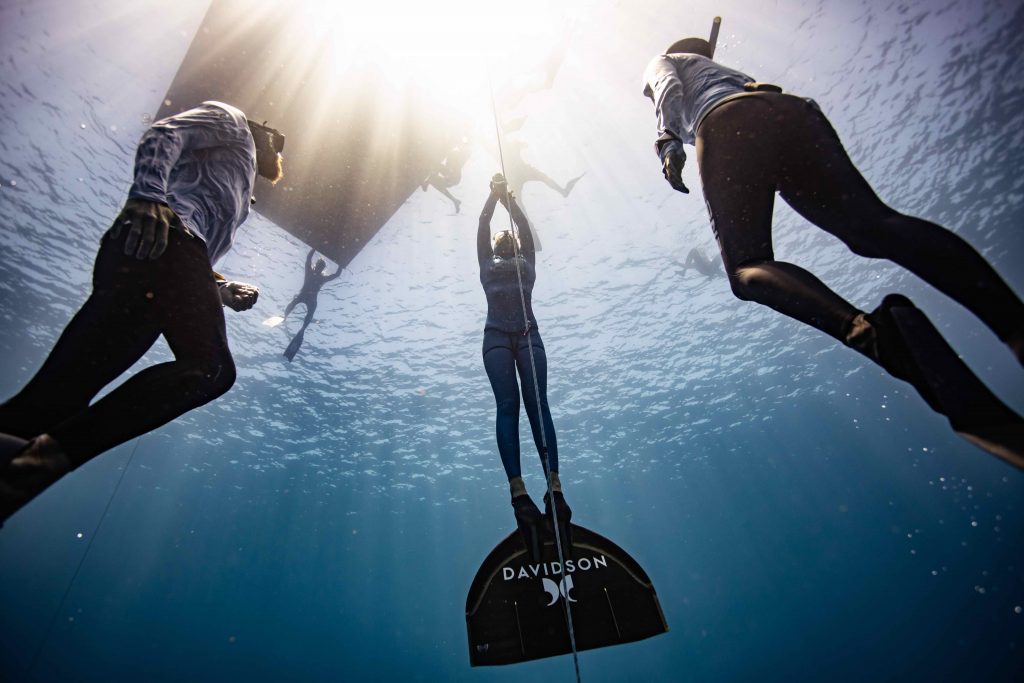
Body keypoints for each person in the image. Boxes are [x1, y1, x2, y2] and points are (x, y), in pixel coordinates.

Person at [642, 37, 1024, 463]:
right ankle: (1013, 322)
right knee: (873, 227)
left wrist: (668, 143)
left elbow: (667, 90)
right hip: (790, 111)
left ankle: (874, 336)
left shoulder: (664, 60)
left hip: (727, 121)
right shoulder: (721, 69)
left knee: (748, 269)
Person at [0, 101, 285, 521]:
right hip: (164, 239)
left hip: (160, 258)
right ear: (264, 132)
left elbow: (196, 243)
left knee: (51, 402)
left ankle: (14, 451)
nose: (280, 152)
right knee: (209, 369)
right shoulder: (234, 121)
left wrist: (220, 288)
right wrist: (145, 195)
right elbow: (166, 133)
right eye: (278, 141)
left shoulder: (242, 189)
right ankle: (42, 464)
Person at [477, 173, 570, 558]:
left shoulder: (527, 258)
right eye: (504, 239)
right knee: (508, 408)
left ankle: (554, 489)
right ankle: (519, 494)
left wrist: (508, 200)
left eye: (510, 237)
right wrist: (493, 197)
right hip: (497, 336)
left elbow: (524, 227)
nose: (506, 238)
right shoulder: (486, 260)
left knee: (537, 406)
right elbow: (483, 226)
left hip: (527, 334)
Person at [282, 249, 341, 361]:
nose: (319, 268)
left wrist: (315, 248)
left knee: (304, 310)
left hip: (308, 298)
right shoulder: (314, 273)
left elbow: (336, 274)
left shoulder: (317, 275)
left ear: (321, 268)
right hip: (307, 298)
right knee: (295, 304)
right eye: (319, 265)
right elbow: (309, 259)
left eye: (321, 266)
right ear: (318, 266)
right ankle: (286, 317)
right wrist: (315, 248)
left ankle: (301, 328)